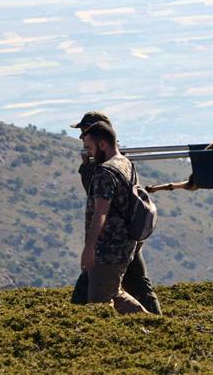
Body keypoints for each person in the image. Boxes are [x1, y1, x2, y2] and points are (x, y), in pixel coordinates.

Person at [69, 112, 161, 315]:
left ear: (101, 141)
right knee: (118, 291)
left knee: (98, 303)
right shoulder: (125, 163)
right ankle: (156, 323)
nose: (83, 142)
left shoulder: (105, 171)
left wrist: (89, 247)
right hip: (125, 242)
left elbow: (100, 209)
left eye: (86, 138)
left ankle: (154, 325)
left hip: (109, 245)